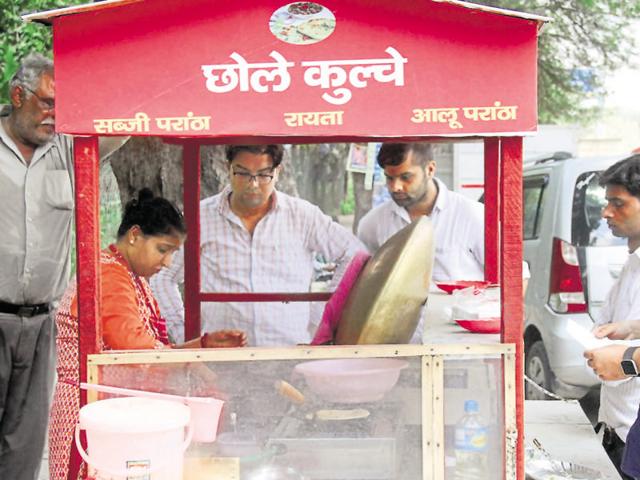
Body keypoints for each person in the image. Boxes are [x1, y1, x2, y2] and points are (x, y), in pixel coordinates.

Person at [48, 189, 247, 480]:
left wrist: (201, 346)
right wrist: (195, 364)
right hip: (92, 415)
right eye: (163, 249)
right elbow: (135, 349)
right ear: (134, 235)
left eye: (172, 253)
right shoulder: (109, 275)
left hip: (115, 413)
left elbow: (150, 346)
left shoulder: (130, 275)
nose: (167, 263)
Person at [0, 53, 127, 480]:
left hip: (41, 323)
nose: (57, 115)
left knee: (25, 444)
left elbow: (125, 119)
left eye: (65, 105)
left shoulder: (71, 148)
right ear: (18, 95)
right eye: (49, 103)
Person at [151, 144, 365, 346]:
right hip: (222, 361)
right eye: (243, 173)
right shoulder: (200, 217)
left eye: (263, 174)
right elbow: (161, 276)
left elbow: (354, 253)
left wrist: (321, 315)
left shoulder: (303, 216)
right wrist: (185, 336)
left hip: (289, 353)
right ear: (228, 168)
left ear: (278, 172)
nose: (253, 184)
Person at [582, 154, 640, 480]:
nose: (606, 212)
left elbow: (625, 363)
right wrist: (626, 329)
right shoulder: (631, 263)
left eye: (618, 204)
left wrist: (628, 359)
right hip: (618, 429)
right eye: (607, 202)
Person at [357, 142, 485, 282]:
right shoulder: (372, 224)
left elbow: (504, 279)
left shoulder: (473, 216)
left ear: (430, 169)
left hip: (462, 303)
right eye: (389, 178)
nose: (395, 187)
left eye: (405, 177)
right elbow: (367, 282)